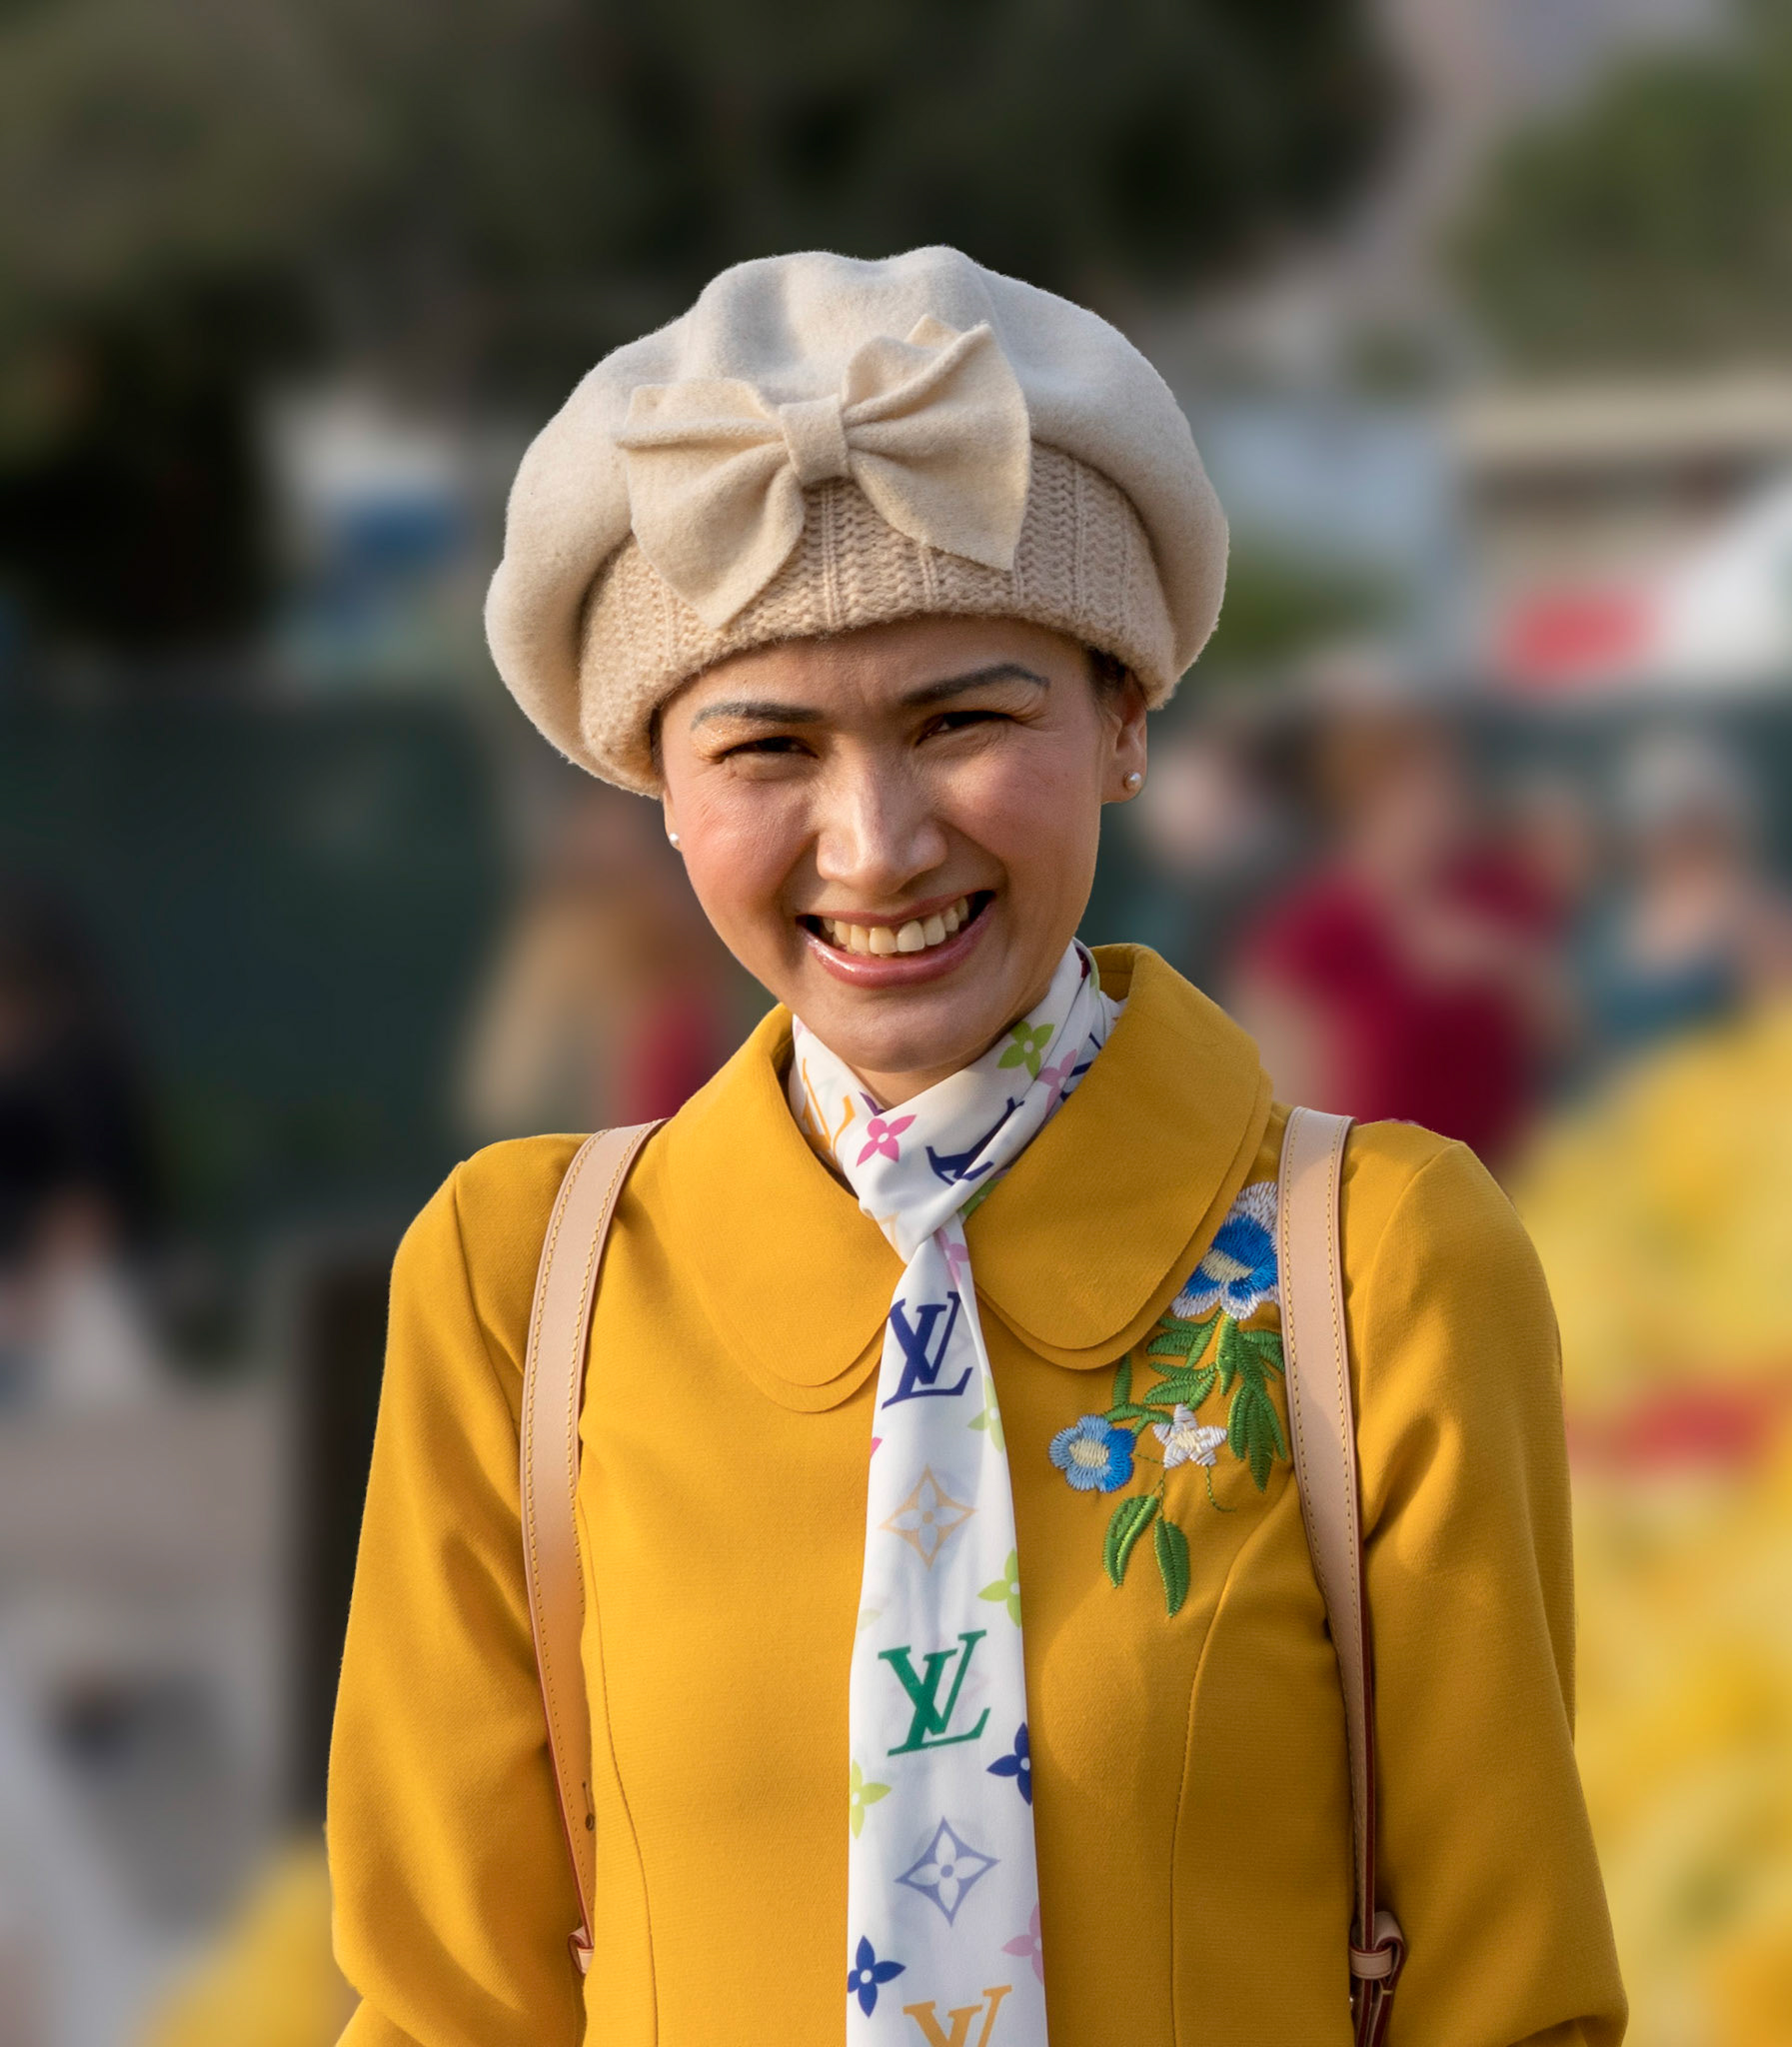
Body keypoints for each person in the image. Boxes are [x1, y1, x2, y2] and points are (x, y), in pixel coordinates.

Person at [326, 249, 1623, 2047]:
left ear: (1123, 717)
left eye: (963, 718)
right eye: (765, 744)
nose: (872, 846)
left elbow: (1509, 2002)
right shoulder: (514, 1292)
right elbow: (444, 2010)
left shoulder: (1375, 1261)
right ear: (658, 794)